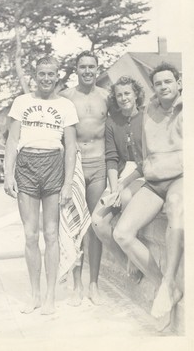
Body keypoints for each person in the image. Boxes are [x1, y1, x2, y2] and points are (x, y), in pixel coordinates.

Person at [4, 56, 78, 315]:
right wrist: (7, 174)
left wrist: (68, 183)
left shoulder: (66, 105)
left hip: (53, 165)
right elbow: (12, 141)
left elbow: (71, 147)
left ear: (58, 76)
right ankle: (35, 295)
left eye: (51, 74)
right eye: (42, 73)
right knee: (30, 235)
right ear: (35, 75)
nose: (46, 78)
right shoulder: (22, 102)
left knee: (51, 235)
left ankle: (50, 297)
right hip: (26, 165)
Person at [112, 62, 183, 329]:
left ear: (178, 82)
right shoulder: (148, 112)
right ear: (153, 88)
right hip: (154, 181)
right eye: (158, 83)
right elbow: (143, 158)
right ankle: (165, 284)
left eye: (168, 81)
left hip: (181, 178)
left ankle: (167, 284)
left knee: (176, 206)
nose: (163, 86)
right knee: (122, 233)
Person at [60, 50, 108, 305]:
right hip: (76, 166)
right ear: (76, 69)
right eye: (82, 67)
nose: (88, 71)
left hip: (99, 165)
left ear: (97, 69)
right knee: (76, 225)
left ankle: (94, 284)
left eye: (92, 66)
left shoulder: (106, 97)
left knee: (95, 227)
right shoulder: (66, 97)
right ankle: (77, 284)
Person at [92, 76, 145, 280]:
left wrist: (123, 185)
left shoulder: (146, 116)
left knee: (125, 197)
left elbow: (146, 162)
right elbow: (112, 158)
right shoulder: (112, 122)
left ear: (136, 94)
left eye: (127, 93)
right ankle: (125, 262)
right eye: (119, 94)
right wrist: (114, 188)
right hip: (121, 174)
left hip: (143, 174)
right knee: (98, 222)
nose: (123, 98)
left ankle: (134, 258)